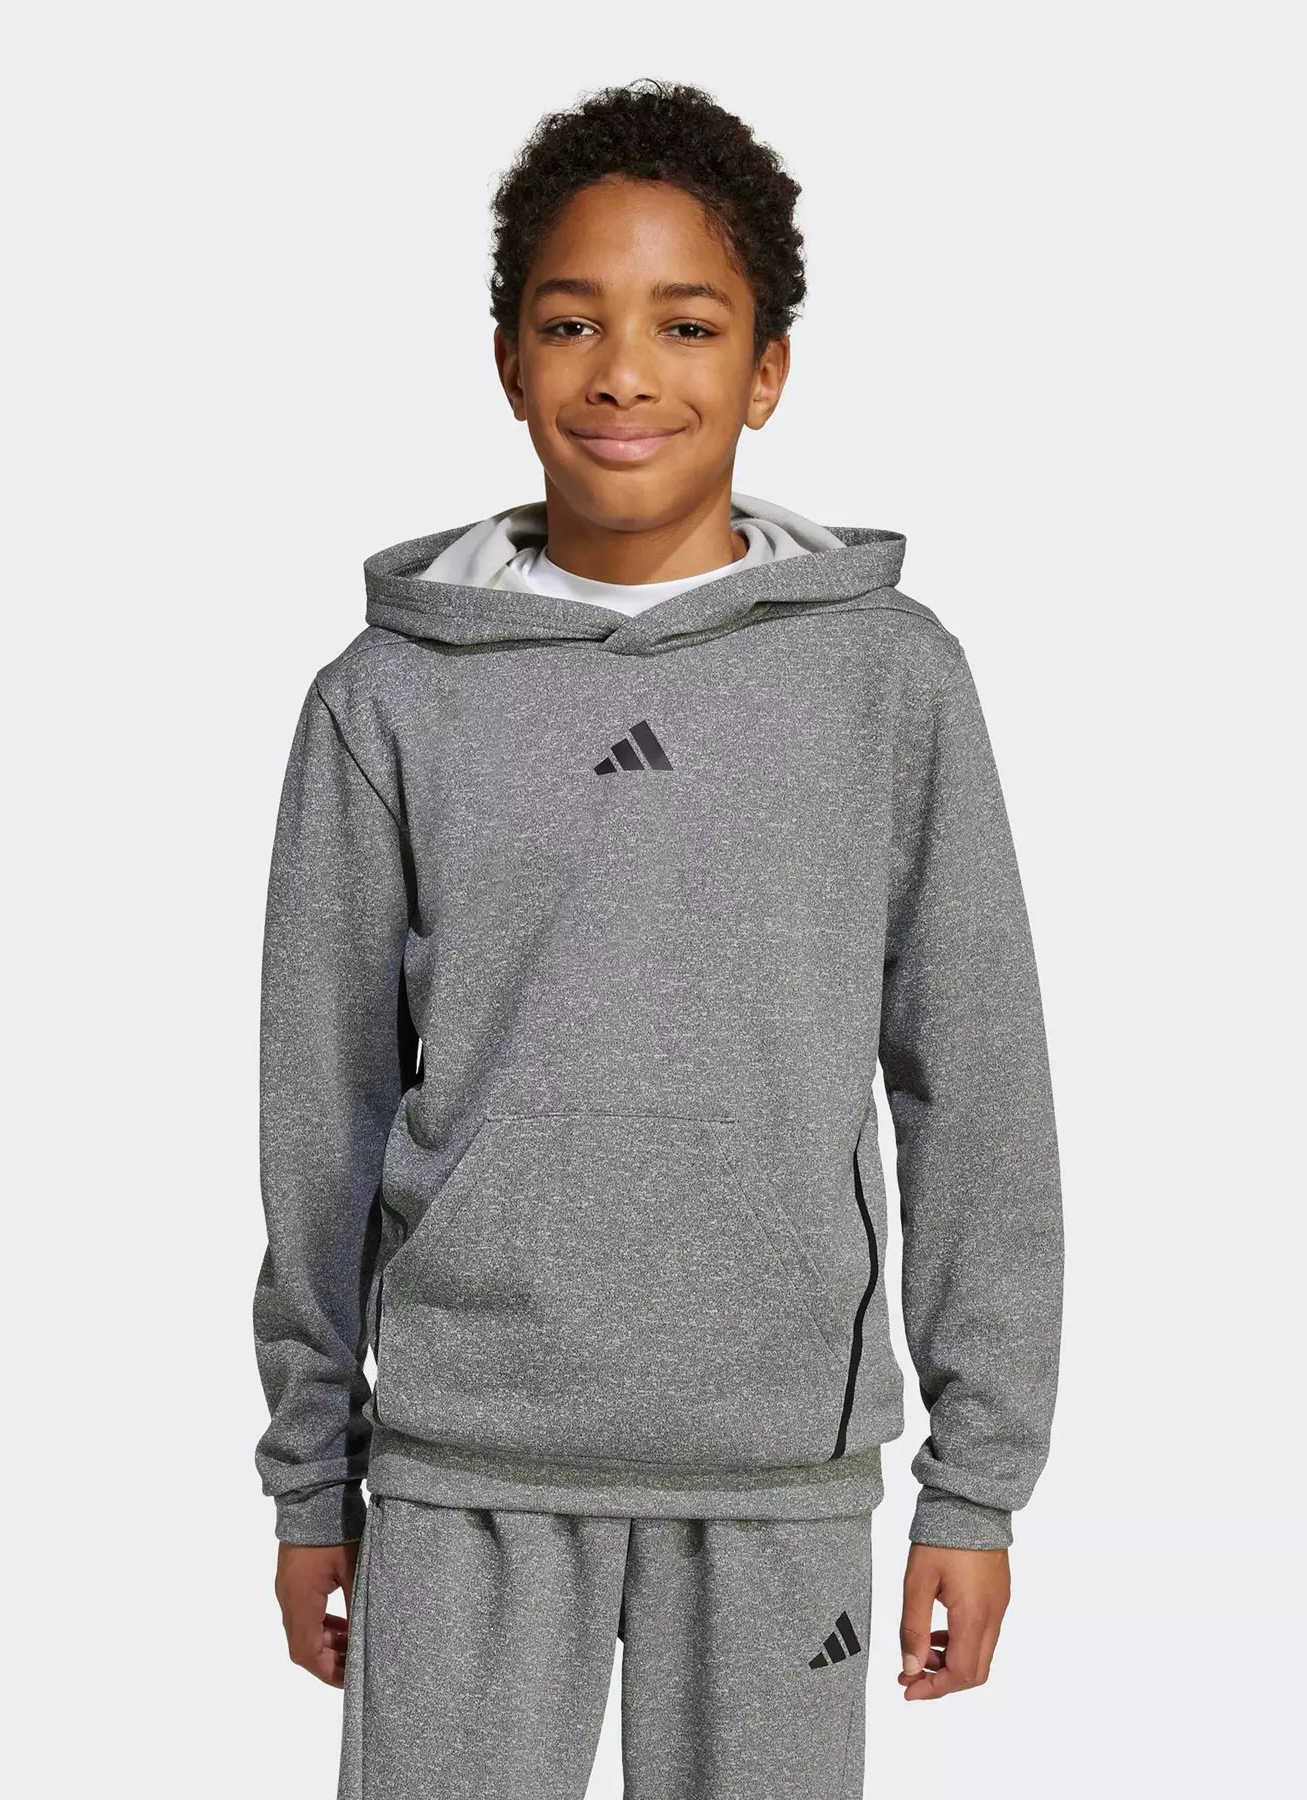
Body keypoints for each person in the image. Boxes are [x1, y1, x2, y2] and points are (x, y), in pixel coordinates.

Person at [252, 77, 1065, 1800]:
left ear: (765, 369)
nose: (625, 372)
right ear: (508, 361)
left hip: (775, 1475)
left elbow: (975, 1083)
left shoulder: (887, 680)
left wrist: (977, 1486)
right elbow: (318, 1113)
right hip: (462, 1470)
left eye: (685, 325)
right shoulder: (385, 700)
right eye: (573, 324)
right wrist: (310, 1476)